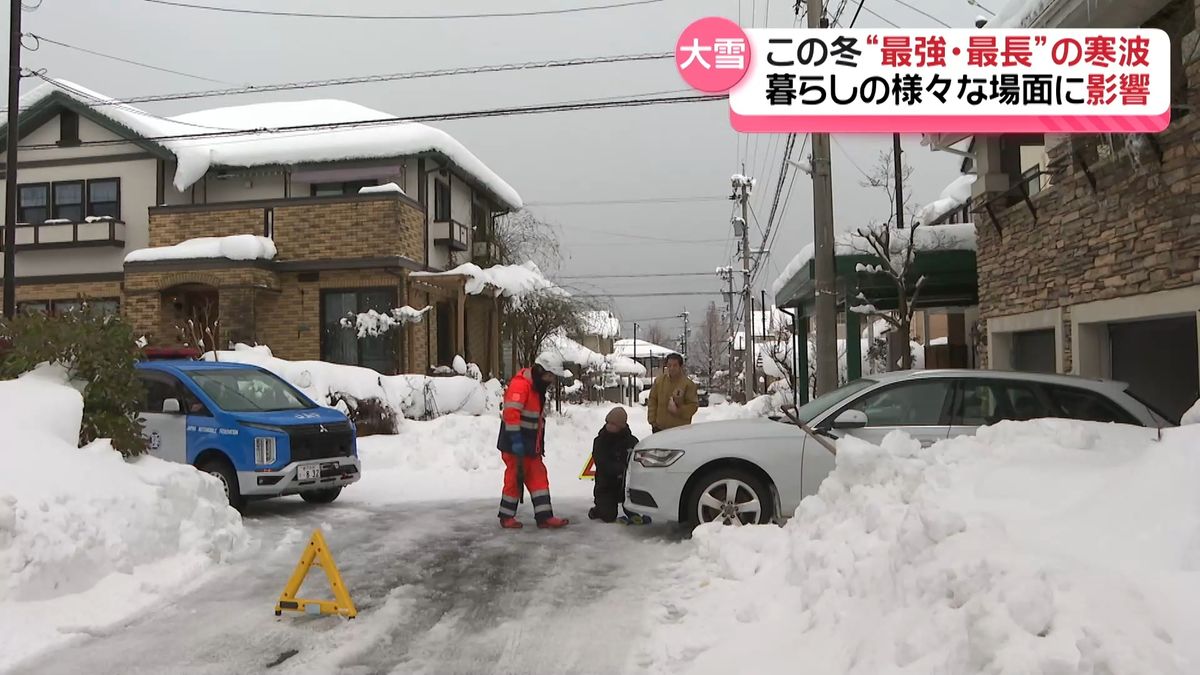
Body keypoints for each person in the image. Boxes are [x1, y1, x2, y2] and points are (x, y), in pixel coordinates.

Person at [496, 352, 570, 529]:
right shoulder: (521, 385)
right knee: (514, 478)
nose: (551, 380)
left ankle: (544, 516)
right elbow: (511, 414)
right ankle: (506, 516)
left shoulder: (536, 387)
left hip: (530, 444)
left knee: (538, 478)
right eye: (549, 375)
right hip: (515, 443)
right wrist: (516, 441)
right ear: (539, 370)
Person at [588, 406, 639, 523]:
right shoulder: (600, 441)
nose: (609, 426)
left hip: (626, 485)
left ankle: (630, 509)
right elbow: (601, 463)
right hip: (606, 486)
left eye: (613, 424)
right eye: (608, 423)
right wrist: (620, 470)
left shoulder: (632, 441)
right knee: (608, 517)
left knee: (634, 511)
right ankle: (598, 510)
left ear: (621, 426)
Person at [647, 353, 699, 433]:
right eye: (669, 365)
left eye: (675, 365)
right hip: (659, 429)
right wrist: (653, 421)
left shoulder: (688, 384)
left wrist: (678, 410)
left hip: (679, 430)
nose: (671, 368)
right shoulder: (659, 381)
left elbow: (693, 406)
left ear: (680, 367)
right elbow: (652, 400)